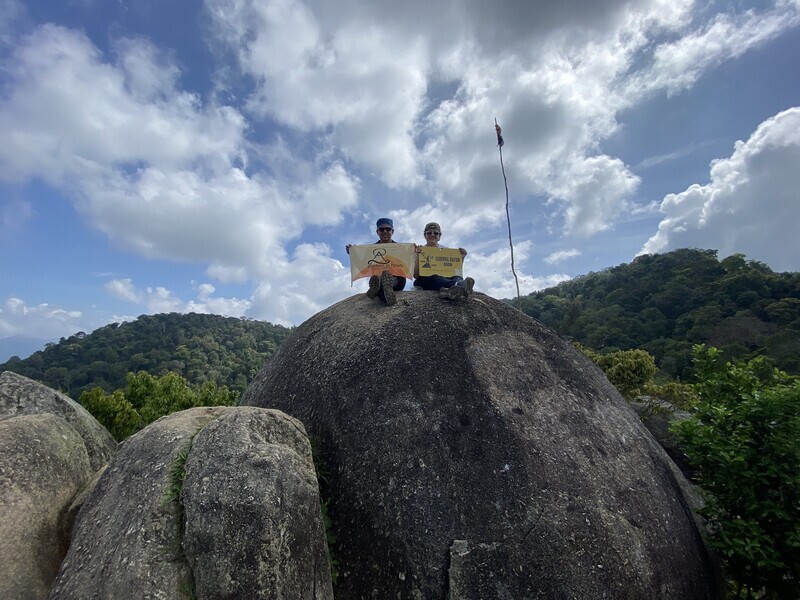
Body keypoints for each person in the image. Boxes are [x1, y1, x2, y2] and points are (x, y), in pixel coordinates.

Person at [345, 218, 408, 306]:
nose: (385, 231)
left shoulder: (400, 248)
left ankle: (375, 290)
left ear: (392, 231)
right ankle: (385, 295)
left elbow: (407, 268)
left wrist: (415, 253)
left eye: (388, 229)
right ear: (377, 232)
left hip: (398, 280)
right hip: (379, 281)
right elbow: (363, 269)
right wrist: (353, 255)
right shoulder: (371, 250)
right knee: (379, 284)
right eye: (382, 229)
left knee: (387, 281)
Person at [414, 222, 475, 300]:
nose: (432, 235)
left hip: (445, 278)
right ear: (425, 235)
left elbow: (455, 271)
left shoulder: (447, 251)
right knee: (432, 277)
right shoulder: (419, 250)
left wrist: (461, 258)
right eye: (429, 233)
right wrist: (417, 257)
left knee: (457, 277)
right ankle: (458, 286)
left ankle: (449, 291)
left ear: (439, 236)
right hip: (427, 280)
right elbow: (416, 276)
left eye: (436, 233)